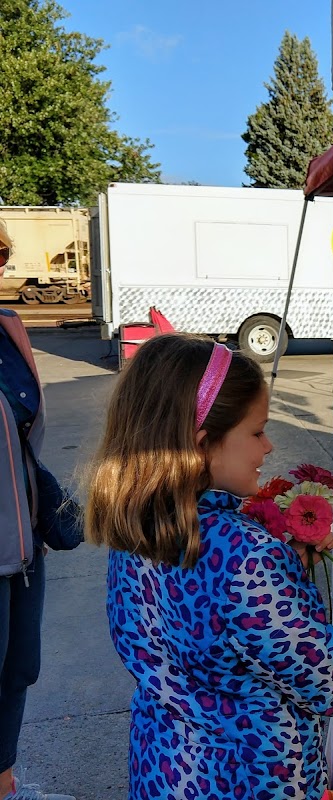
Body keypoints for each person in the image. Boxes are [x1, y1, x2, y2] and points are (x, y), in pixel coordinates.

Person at [84, 333, 333, 800]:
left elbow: (209, 639)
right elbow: (331, 680)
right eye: (257, 431)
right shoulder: (243, 553)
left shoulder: (140, 526)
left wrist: (285, 576)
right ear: (202, 444)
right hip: (251, 779)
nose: (268, 446)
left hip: (164, 768)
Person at [0, 220, 76, 800]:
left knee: (18, 669)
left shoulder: (8, 329)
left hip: (22, 547)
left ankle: (4, 780)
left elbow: (23, 438)